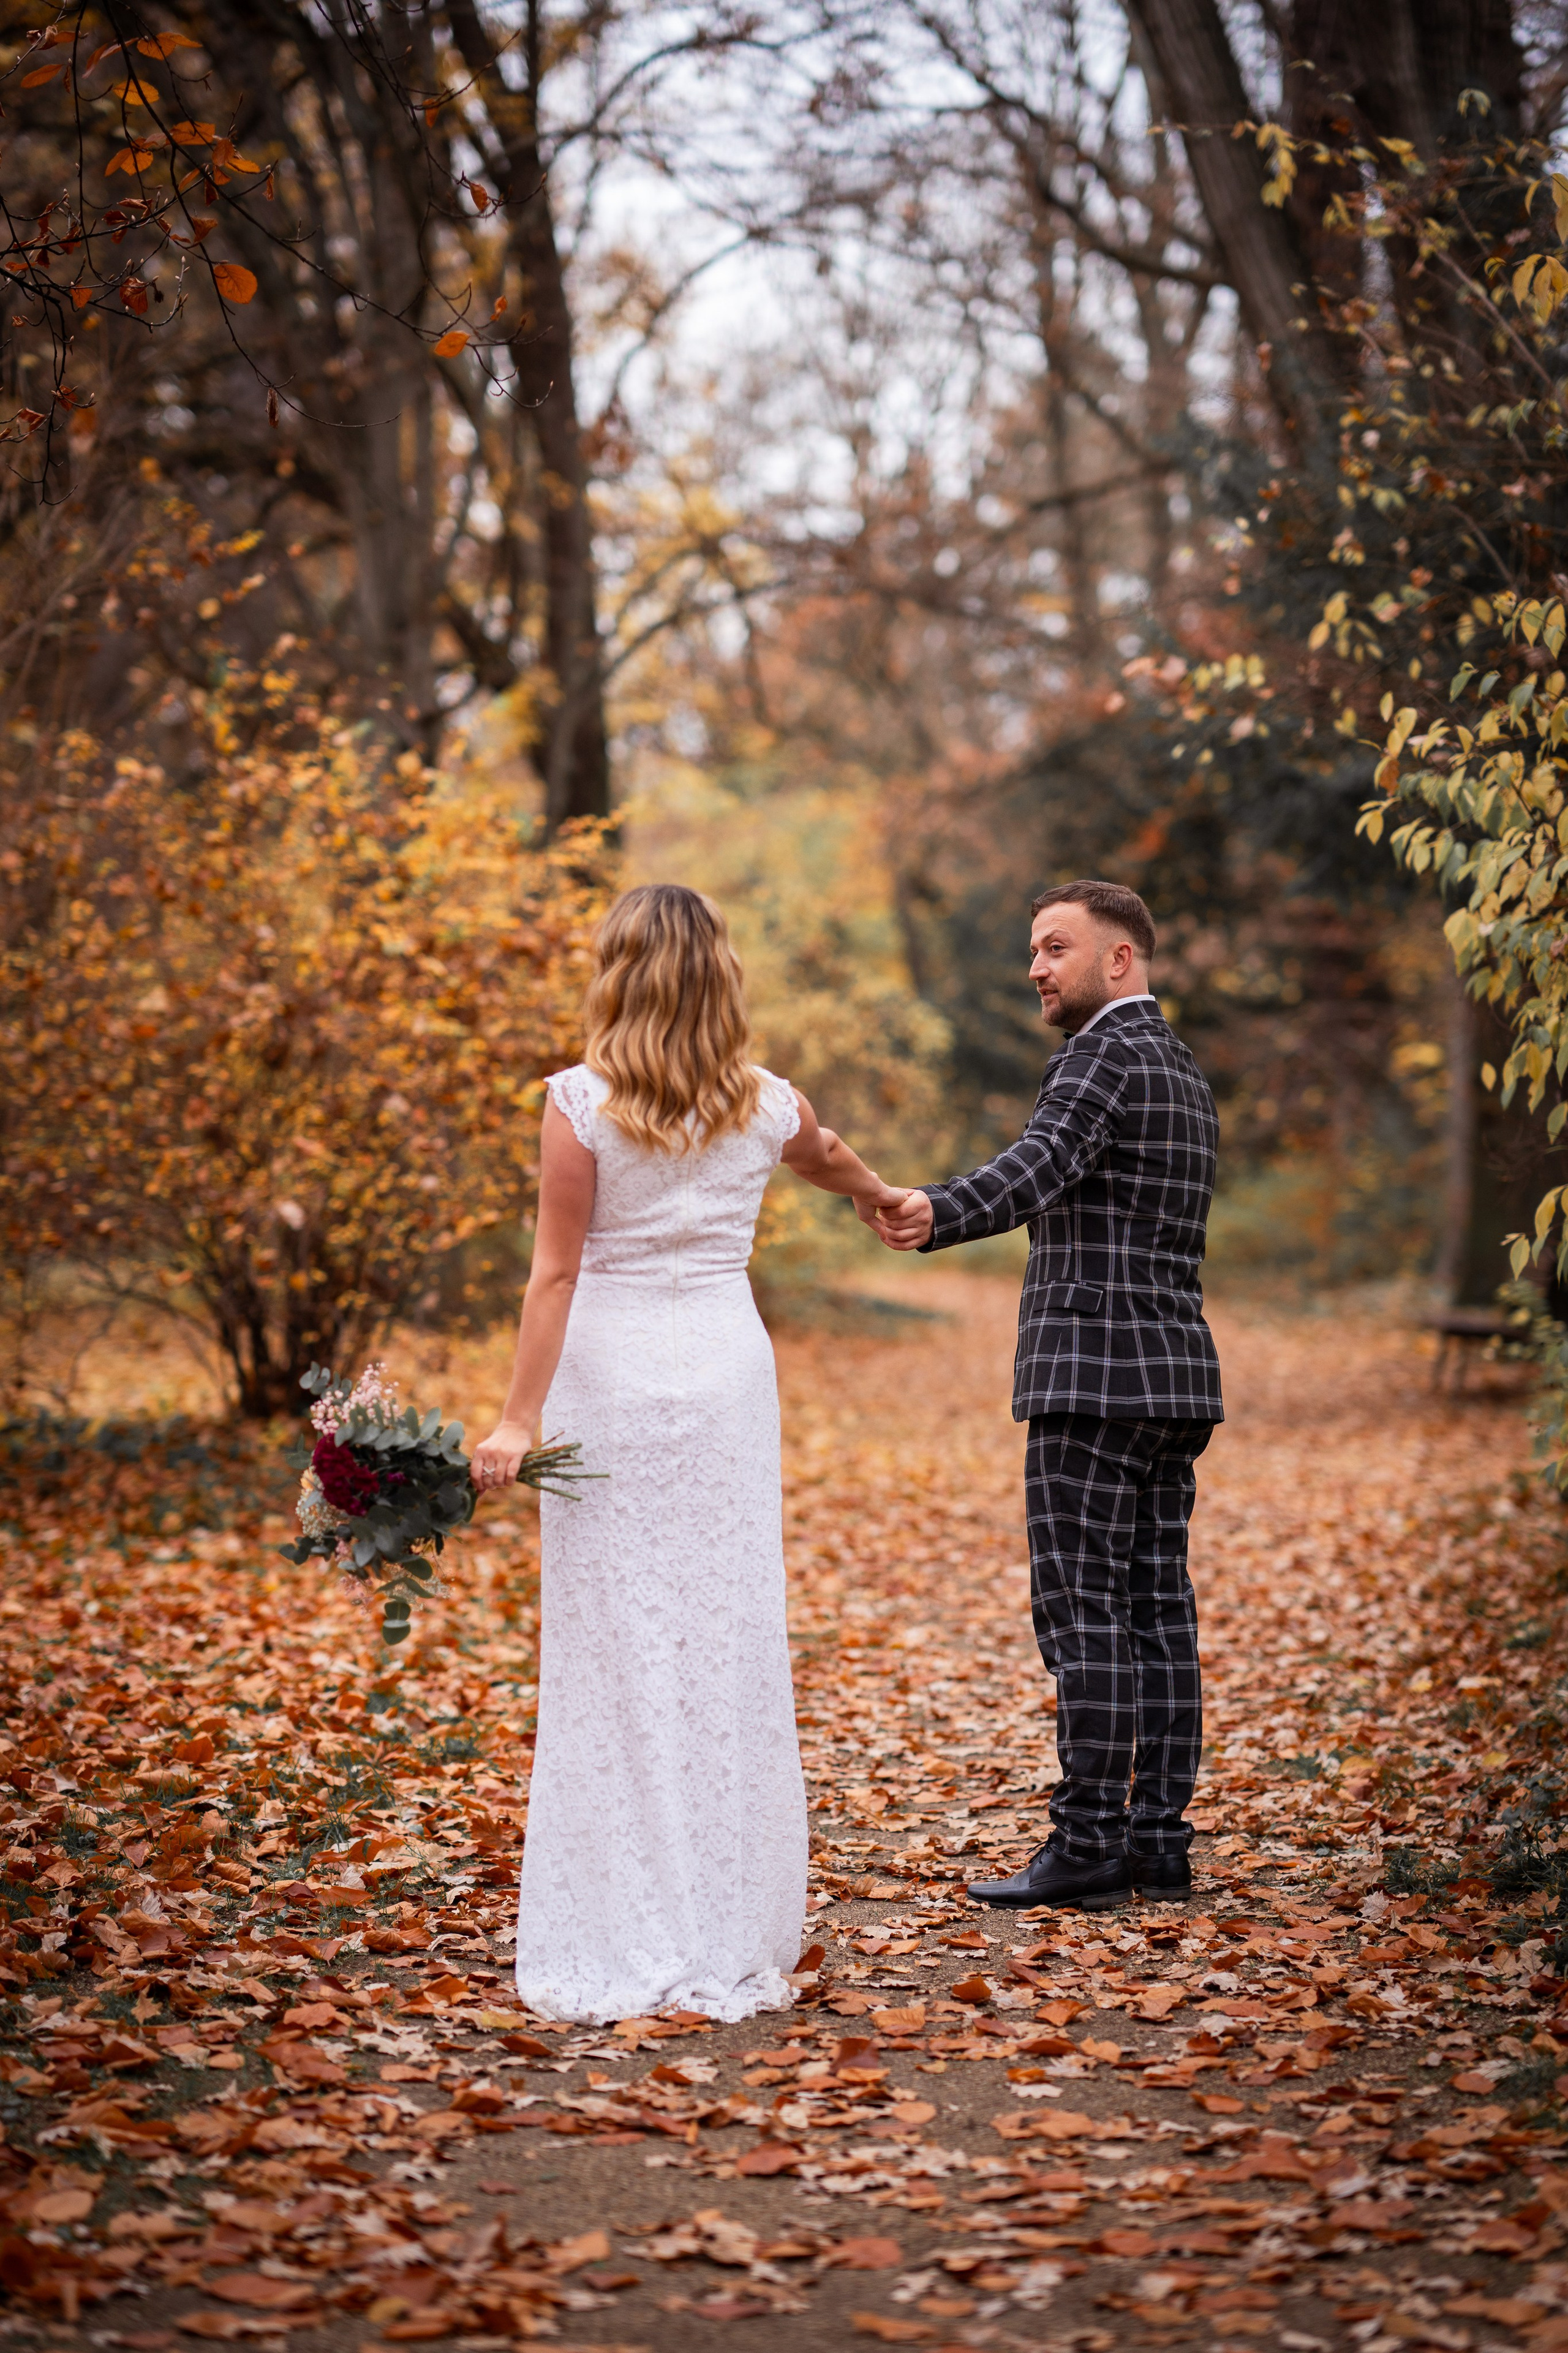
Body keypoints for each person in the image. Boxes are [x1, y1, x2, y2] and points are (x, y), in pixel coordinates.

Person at [472, 883, 904, 2022]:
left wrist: (516, 1419)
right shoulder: (765, 1102)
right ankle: (721, 1913)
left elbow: (556, 1273)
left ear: (617, 974)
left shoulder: (578, 1105)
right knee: (723, 1632)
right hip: (722, 1378)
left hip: (609, 1381)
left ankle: (625, 1913)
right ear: (720, 975)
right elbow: (826, 1150)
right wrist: (878, 1195)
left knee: (615, 1642)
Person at [874, 880, 1222, 1912]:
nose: (1036, 967)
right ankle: (1157, 1843)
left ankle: (1088, 1843)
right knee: (1157, 1611)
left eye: (1056, 947)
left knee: (1085, 1612)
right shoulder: (1182, 1068)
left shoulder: (1099, 1056)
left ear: (1120, 958)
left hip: (1093, 1377)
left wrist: (934, 1209)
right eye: (1034, 948)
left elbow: (1040, 1165)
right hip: (1174, 1379)